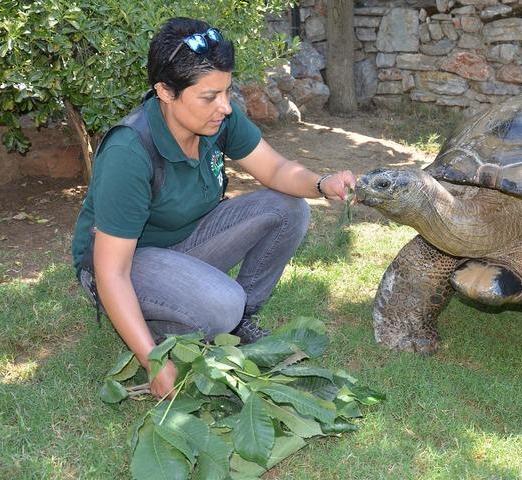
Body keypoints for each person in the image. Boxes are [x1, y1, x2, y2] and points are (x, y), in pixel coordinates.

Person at [70, 17, 355, 399]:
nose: (224, 106)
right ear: (165, 91)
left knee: (291, 209)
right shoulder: (129, 151)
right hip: (124, 264)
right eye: (209, 96)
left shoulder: (218, 119)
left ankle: (238, 322)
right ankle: (167, 326)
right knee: (223, 303)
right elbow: (112, 271)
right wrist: (153, 360)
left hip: (185, 243)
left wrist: (322, 184)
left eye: (227, 90)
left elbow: (275, 170)